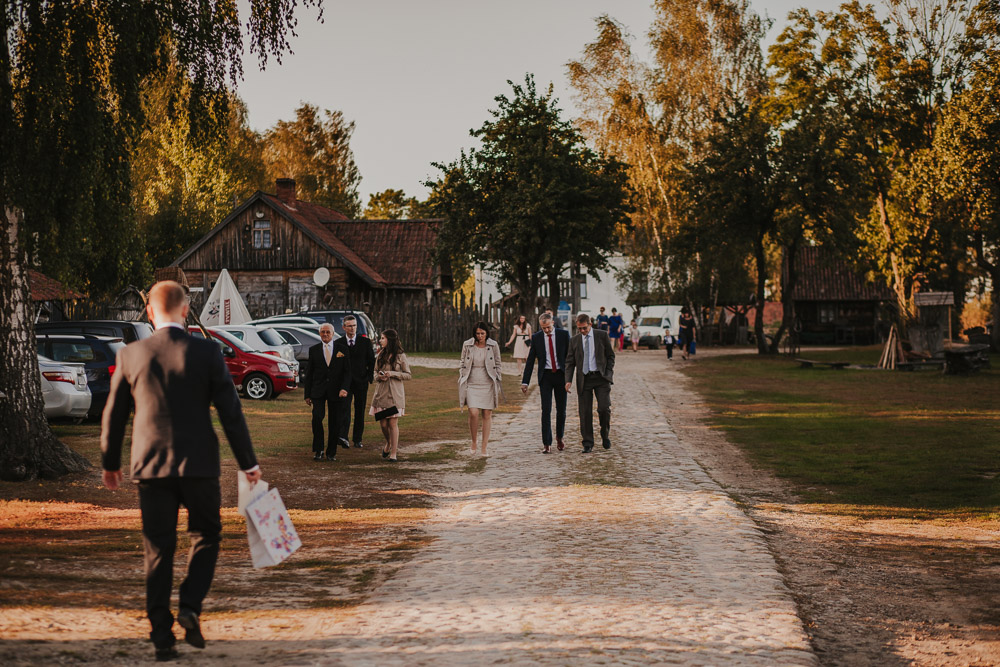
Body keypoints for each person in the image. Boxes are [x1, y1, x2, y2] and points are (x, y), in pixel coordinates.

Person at [100, 281, 262, 662]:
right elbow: (231, 411)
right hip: (199, 464)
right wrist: (248, 462)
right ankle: (190, 604)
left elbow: (114, 413)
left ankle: (161, 636)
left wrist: (110, 463)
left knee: (158, 547)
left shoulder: (132, 354)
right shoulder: (207, 352)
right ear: (186, 310)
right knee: (207, 535)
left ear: (149, 312)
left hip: (151, 467)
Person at [565, 313, 615, 453]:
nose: (582, 331)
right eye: (579, 328)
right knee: (585, 412)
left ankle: (605, 434)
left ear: (590, 324)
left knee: (604, 408)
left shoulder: (602, 335)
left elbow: (610, 356)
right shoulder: (574, 340)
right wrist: (568, 380)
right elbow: (570, 362)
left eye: (584, 328)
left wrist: (608, 373)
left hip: (601, 378)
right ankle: (587, 443)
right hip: (584, 379)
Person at [520, 312, 569, 454]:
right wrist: (525, 382)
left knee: (561, 410)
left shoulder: (563, 335)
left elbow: (570, 357)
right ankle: (547, 443)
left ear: (553, 323)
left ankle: (559, 437)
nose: (546, 330)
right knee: (546, 410)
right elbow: (530, 361)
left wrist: (570, 378)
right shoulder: (536, 338)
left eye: (548, 327)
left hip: (560, 375)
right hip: (545, 377)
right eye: (543, 328)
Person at [304, 323, 350, 461]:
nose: (325, 334)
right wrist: (307, 394)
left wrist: (344, 388)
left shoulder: (342, 349)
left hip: (336, 391)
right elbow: (309, 373)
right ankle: (318, 450)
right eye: (323, 332)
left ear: (333, 333)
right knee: (317, 418)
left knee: (335, 422)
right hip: (318, 391)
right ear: (319, 334)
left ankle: (331, 452)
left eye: (328, 332)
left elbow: (347, 372)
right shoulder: (314, 350)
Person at [458, 321, 503, 456]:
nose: (480, 336)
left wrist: (497, 377)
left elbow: (498, 363)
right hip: (472, 382)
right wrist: (462, 374)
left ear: (487, 333)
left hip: (488, 382)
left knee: (487, 414)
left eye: (482, 333)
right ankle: (473, 441)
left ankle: (484, 447)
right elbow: (462, 361)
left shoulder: (493, 345)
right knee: (473, 412)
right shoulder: (467, 344)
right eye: (477, 333)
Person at [370, 329, 411, 462]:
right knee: (383, 424)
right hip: (381, 395)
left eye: (383, 338)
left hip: (395, 395)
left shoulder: (401, 356)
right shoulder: (380, 354)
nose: (380, 340)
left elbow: (408, 375)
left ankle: (393, 453)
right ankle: (388, 442)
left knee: (393, 423)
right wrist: (379, 377)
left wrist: (392, 374)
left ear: (390, 340)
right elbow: (374, 372)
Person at [337, 315, 376, 449]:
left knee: (360, 411)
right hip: (345, 384)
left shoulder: (365, 342)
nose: (352, 328)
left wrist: (369, 377)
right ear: (344, 327)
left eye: (354, 325)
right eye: (349, 326)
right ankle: (343, 437)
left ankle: (358, 439)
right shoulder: (339, 343)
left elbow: (371, 361)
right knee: (344, 410)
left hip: (361, 382)